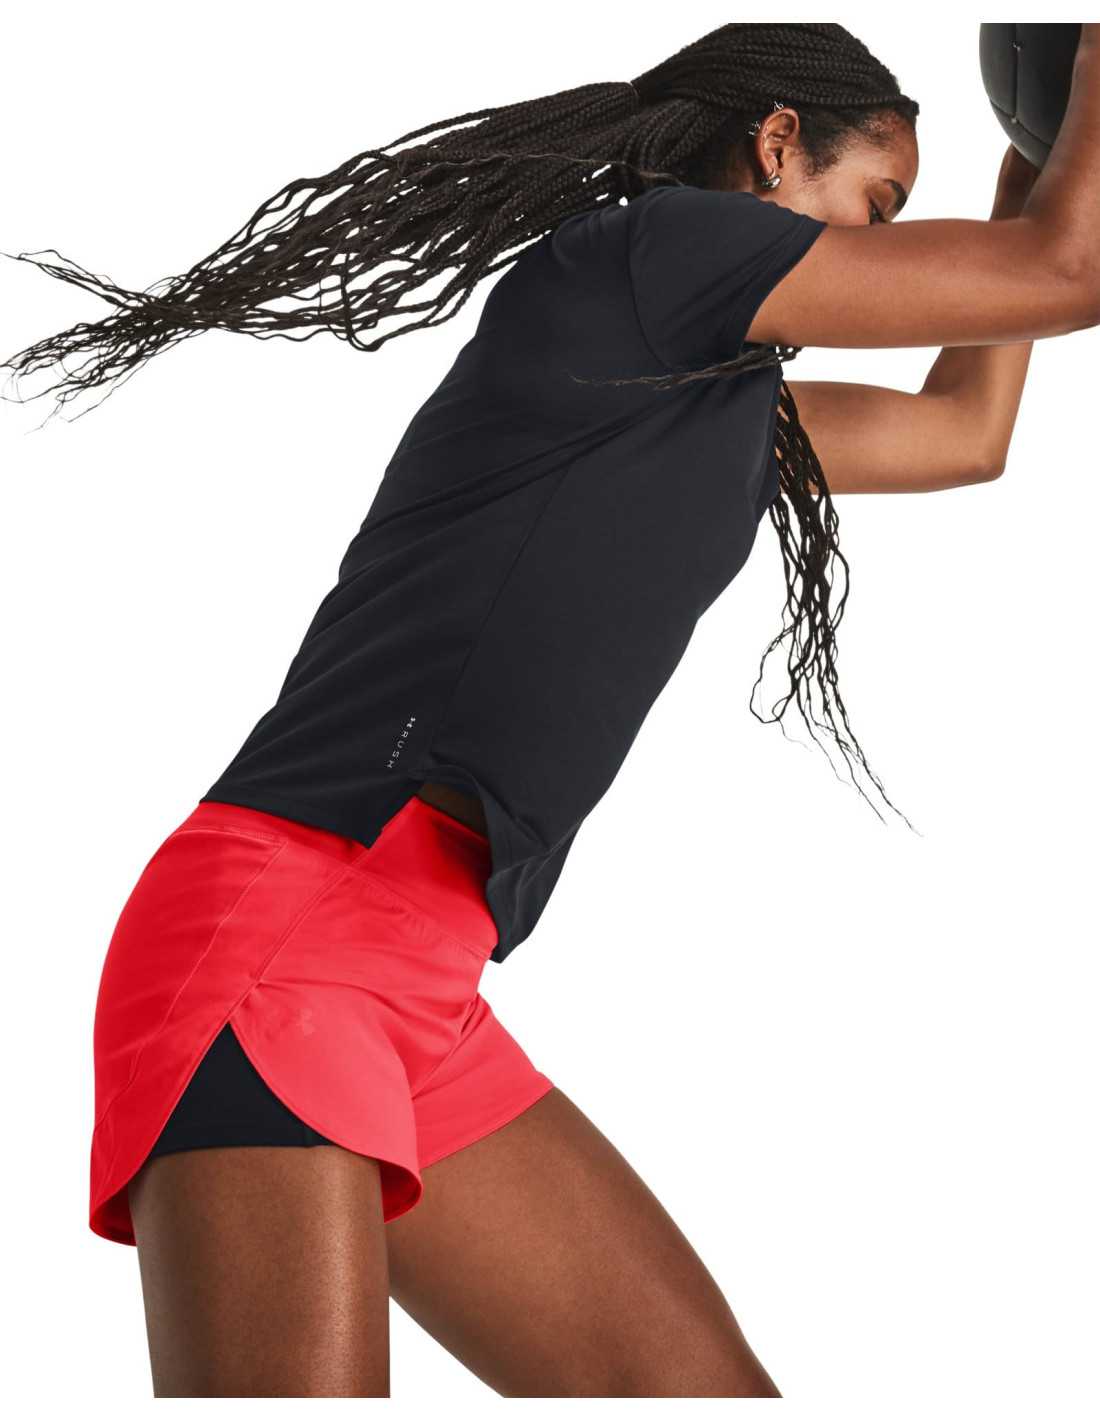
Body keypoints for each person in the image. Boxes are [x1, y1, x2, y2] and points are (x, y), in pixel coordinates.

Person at [6, 20, 1099, 1400]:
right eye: (877, 209)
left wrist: (1033, 157)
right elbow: (1066, 272)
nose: (891, 252)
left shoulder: (701, 402)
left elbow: (964, 434)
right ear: (774, 147)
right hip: (287, 932)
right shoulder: (659, 252)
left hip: (422, 980)